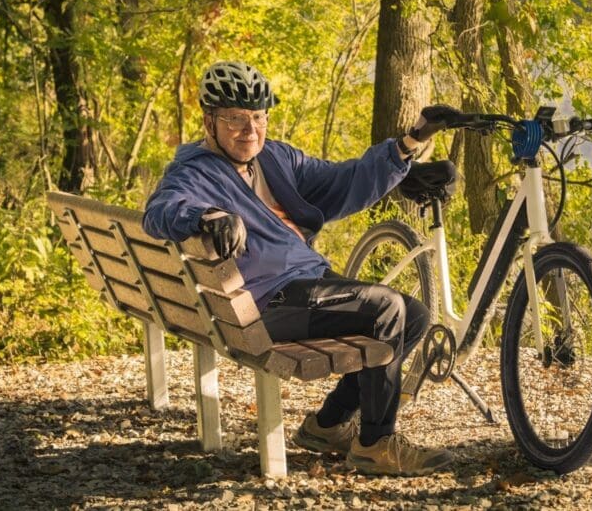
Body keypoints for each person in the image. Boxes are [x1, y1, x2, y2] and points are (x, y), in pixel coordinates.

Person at [143, 61, 457, 476]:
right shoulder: (195, 172)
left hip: (304, 286)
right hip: (266, 303)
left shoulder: (274, 158)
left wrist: (409, 142)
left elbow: (343, 181)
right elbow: (161, 210)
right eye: (236, 119)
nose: (250, 129)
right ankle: (375, 444)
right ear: (210, 121)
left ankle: (328, 425)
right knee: (387, 310)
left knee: (413, 314)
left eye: (258, 117)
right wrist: (206, 217)